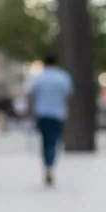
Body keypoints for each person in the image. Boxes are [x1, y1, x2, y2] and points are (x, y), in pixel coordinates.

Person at [28, 53, 73, 186]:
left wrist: (32, 111)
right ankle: (50, 165)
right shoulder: (62, 77)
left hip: (42, 113)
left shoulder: (38, 77)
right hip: (57, 114)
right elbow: (68, 95)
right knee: (54, 141)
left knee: (45, 141)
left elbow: (31, 94)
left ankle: (47, 165)